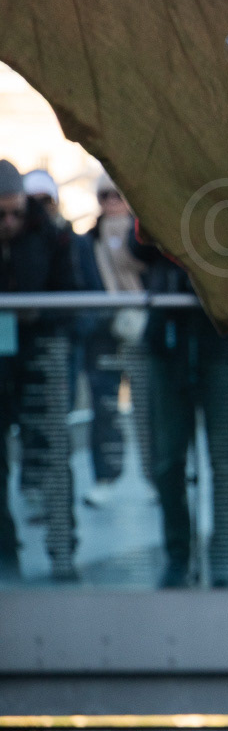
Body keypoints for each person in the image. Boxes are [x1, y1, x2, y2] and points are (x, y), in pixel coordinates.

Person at [134, 229, 228, 588]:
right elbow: (135, 244)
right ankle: (177, 555)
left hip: (223, 340)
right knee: (168, 460)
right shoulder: (157, 192)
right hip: (168, 340)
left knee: (223, 459)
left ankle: (222, 557)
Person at [0, 159, 79, 581]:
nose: (9, 221)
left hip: (39, 356)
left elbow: (72, 299)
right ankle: (5, 557)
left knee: (52, 457)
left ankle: (62, 553)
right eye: (1, 215)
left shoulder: (49, 235)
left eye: (15, 212)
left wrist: (36, 315)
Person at [75, 174, 145, 508]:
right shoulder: (88, 239)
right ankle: (104, 478)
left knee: (149, 407)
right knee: (103, 409)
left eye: (118, 194)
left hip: (143, 327)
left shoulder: (144, 234)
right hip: (103, 332)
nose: (112, 201)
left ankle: (156, 477)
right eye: (105, 195)